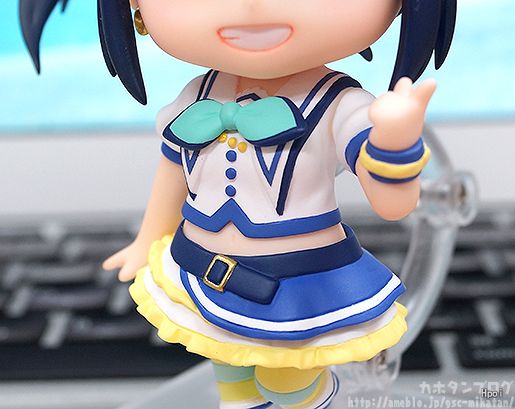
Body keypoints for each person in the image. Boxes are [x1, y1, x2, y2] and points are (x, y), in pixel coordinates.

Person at [20, 0, 456, 407]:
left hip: (297, 279)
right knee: (231, 373)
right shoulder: (198, 96)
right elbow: (173, 170)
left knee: (288, 383)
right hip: (201, 265)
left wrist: (394, 144)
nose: (252, 5)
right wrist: (148, 238)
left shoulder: (340, 104)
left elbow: (393, 205)